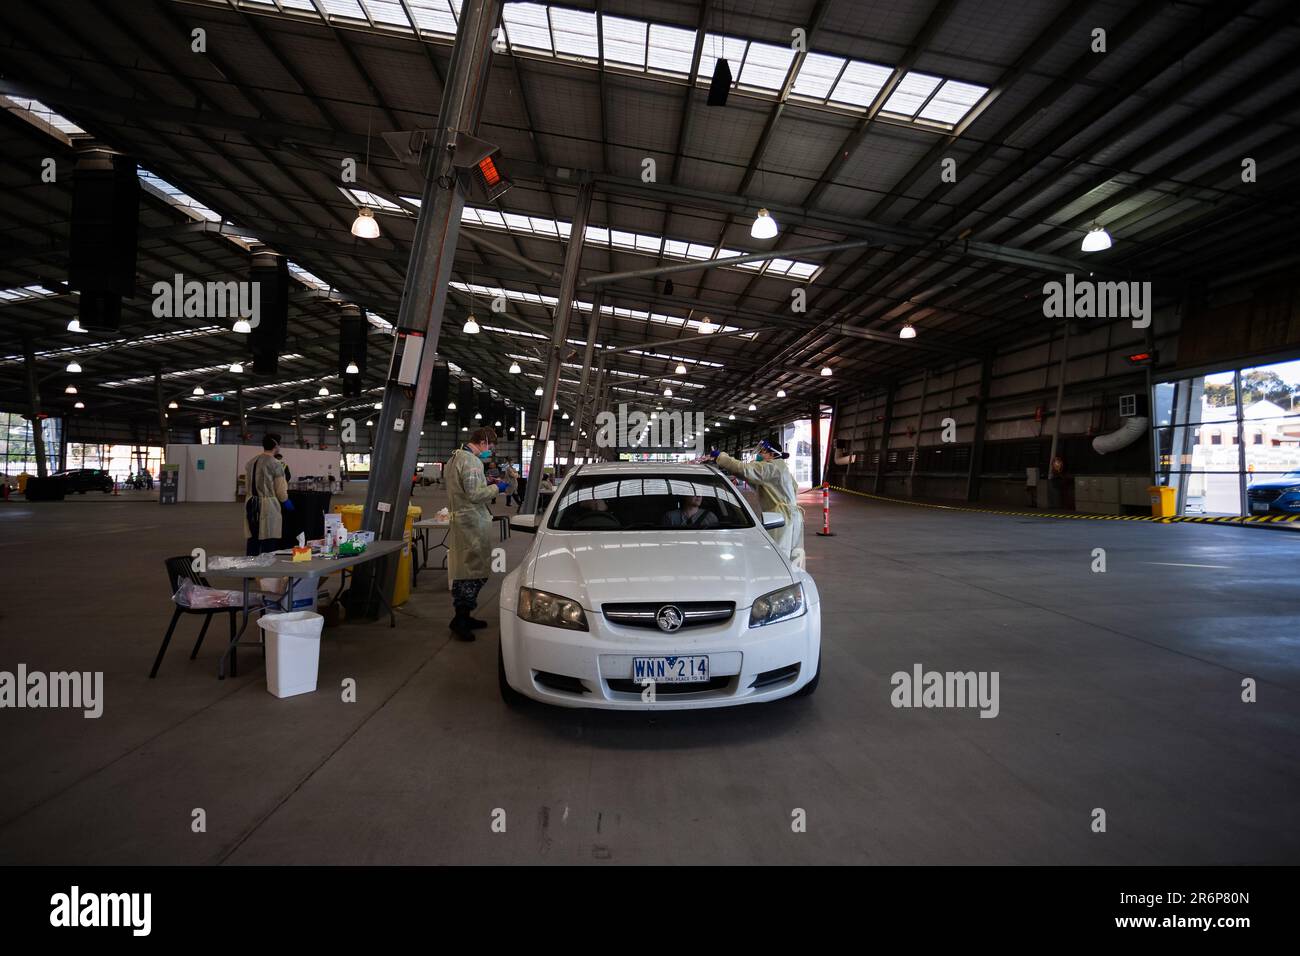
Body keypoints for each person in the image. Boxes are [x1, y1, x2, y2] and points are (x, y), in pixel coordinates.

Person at [445, 427, 511, 640]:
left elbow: (465, 488)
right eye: (490, 447)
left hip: (462, 521)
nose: (489, 452)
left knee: (465, 569)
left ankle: (463, 614)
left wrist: (486, 482)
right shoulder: (472, 461)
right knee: (474, 572)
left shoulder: (455, 457)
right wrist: (497, 488)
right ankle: (461, 619)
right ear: (482, 441)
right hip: (471, 523)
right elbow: (474, 494)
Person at [706, 439, 803, 560]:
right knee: (786, 553)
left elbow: (745, 470)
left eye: (762, 452)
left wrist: (721, 457)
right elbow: (757, 480)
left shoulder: (772, 467)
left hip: (781, 517)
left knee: (777, 555)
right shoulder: (780, 467)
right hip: (789, 517)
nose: (759, 455)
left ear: (772, 454)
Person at [245, 433, 292, 555]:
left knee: (253, 537)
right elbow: (280, 489)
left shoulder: (251, 462)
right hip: (267, 505)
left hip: (250, 503)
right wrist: (285, 501)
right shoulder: (275, 463)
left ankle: (249, 570)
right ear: (276, 446)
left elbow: (247, 484)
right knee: (268, 537)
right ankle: (267, 571)